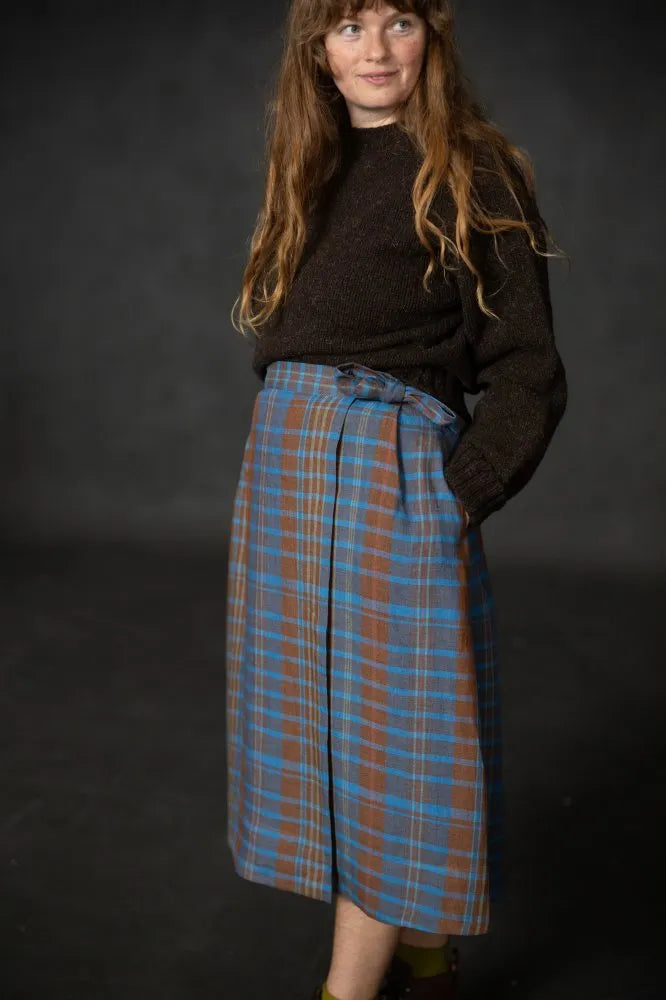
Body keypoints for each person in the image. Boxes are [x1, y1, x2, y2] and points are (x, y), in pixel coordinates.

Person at [225, 2, 568, 999]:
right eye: (348, 27)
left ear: (433, 35)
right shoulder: (310, 166)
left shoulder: (474, 170)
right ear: (317, 51)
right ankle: (425, 958)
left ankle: (347, 992)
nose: (375, 50)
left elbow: (529, 368)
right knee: (338, 748)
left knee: (391, 758)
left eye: (398, 21)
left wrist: (456, 492)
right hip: (289, 473)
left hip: (389, 475)